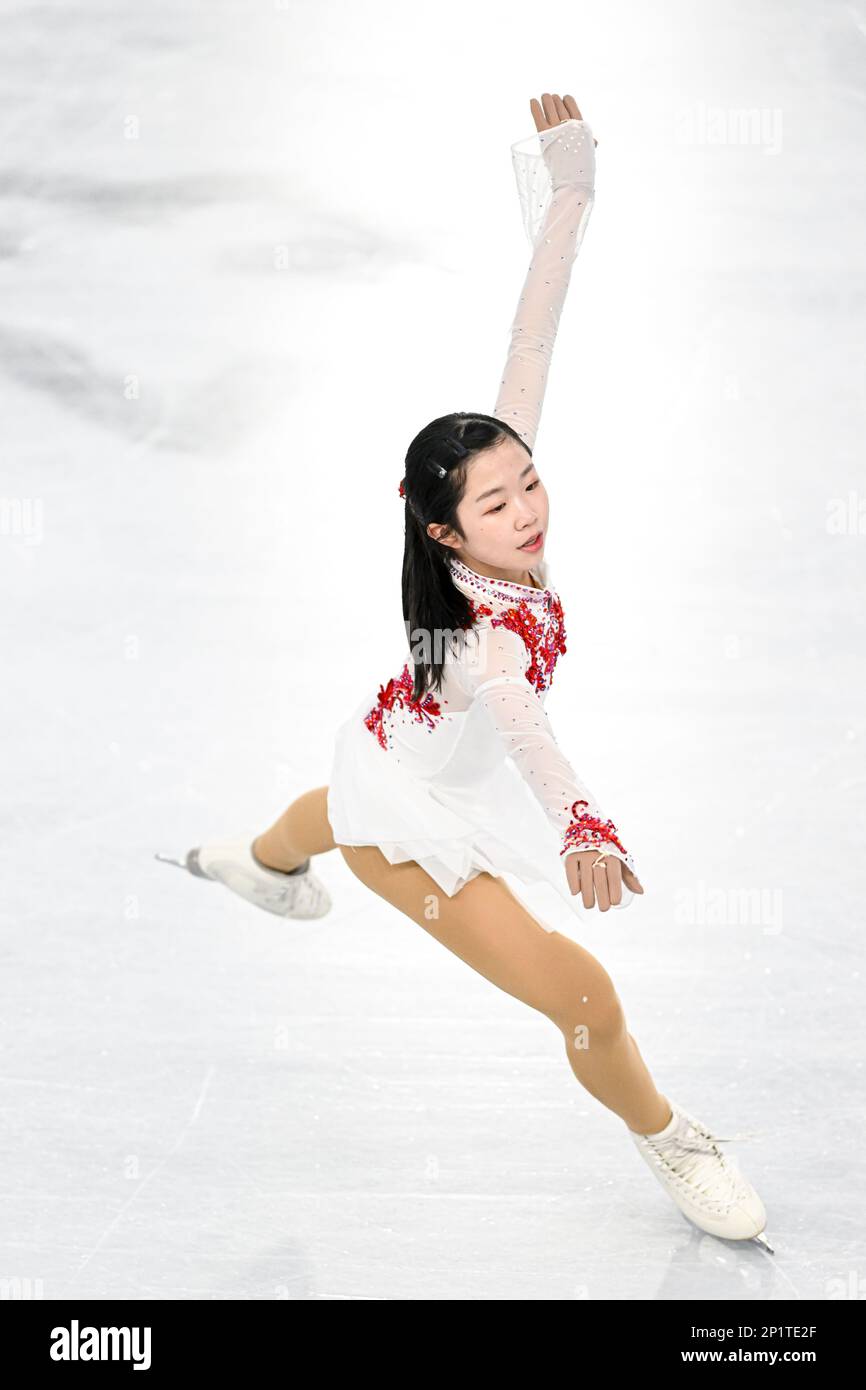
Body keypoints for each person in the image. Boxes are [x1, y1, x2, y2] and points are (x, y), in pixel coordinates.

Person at [157, 92, 772, 1252]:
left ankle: (251, 860)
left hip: (391, 740)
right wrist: (582, 824)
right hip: (413, 815)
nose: (528, 508)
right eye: (497, 503)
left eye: (527, 481)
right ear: (445, 532)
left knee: (324, 803)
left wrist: (570, 184)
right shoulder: (486, 647)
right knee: (581, 994)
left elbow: (532, 331)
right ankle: (670, 1135)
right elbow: (528, 736)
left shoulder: (486, 490)